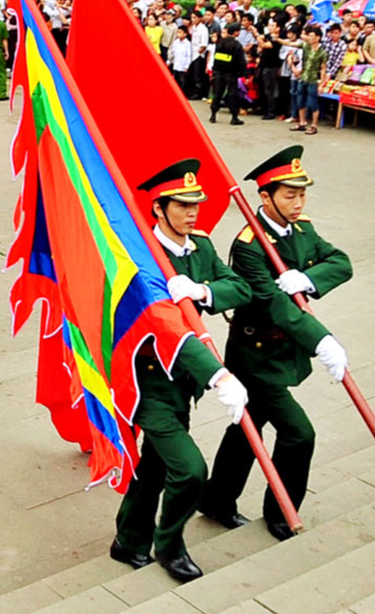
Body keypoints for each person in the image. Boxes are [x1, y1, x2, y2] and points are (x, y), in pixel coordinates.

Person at [200, 147, 352, 541]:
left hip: (285, 351)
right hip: (256, 355)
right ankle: (281, 511)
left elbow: (340, 261)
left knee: (246, 428)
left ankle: (217, 500)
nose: (298, 203)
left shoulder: (303, 229)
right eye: (289, 195)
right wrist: (323, 341)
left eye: (302, 194)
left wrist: (309, 277)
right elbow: (272, 305)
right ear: (265, 197)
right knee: (299, 433)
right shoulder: (250, 244)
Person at [111, 160, 251, 583]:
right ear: (159, 208)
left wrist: (204, 290)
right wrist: (218, 375)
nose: (193, 213)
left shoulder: (201, 247)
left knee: (155, 467)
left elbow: (239, 287)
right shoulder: (141, 258)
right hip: (150, 385)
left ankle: (128, 540)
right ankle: (169, 545)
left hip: (183, 386)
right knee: (189, 471)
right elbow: (170, 332)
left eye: (197, 204)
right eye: (183, 205)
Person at [291, 26, 326, 135]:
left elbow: (323, 69)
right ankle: (302, 122)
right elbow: (292, 44)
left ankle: (314, 125)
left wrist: (322, 84)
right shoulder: (306, 46)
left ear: (318, 38)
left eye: (312, 36)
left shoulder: (322, 52)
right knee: (300, 100)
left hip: (313, 79)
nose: (309, 38)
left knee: (313, 103)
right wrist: (278, 39)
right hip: (303, 77)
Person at [209, 24, 246, 125]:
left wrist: (214, 70)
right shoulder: (237, 45)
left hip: (219, 72)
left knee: (217, 93)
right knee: (232, 94)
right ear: (236, 32)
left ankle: (213, 114)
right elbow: (241, 61)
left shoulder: (220, 42)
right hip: (231, 73)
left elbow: (216, 57)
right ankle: (234, 117)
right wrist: (242, 72)